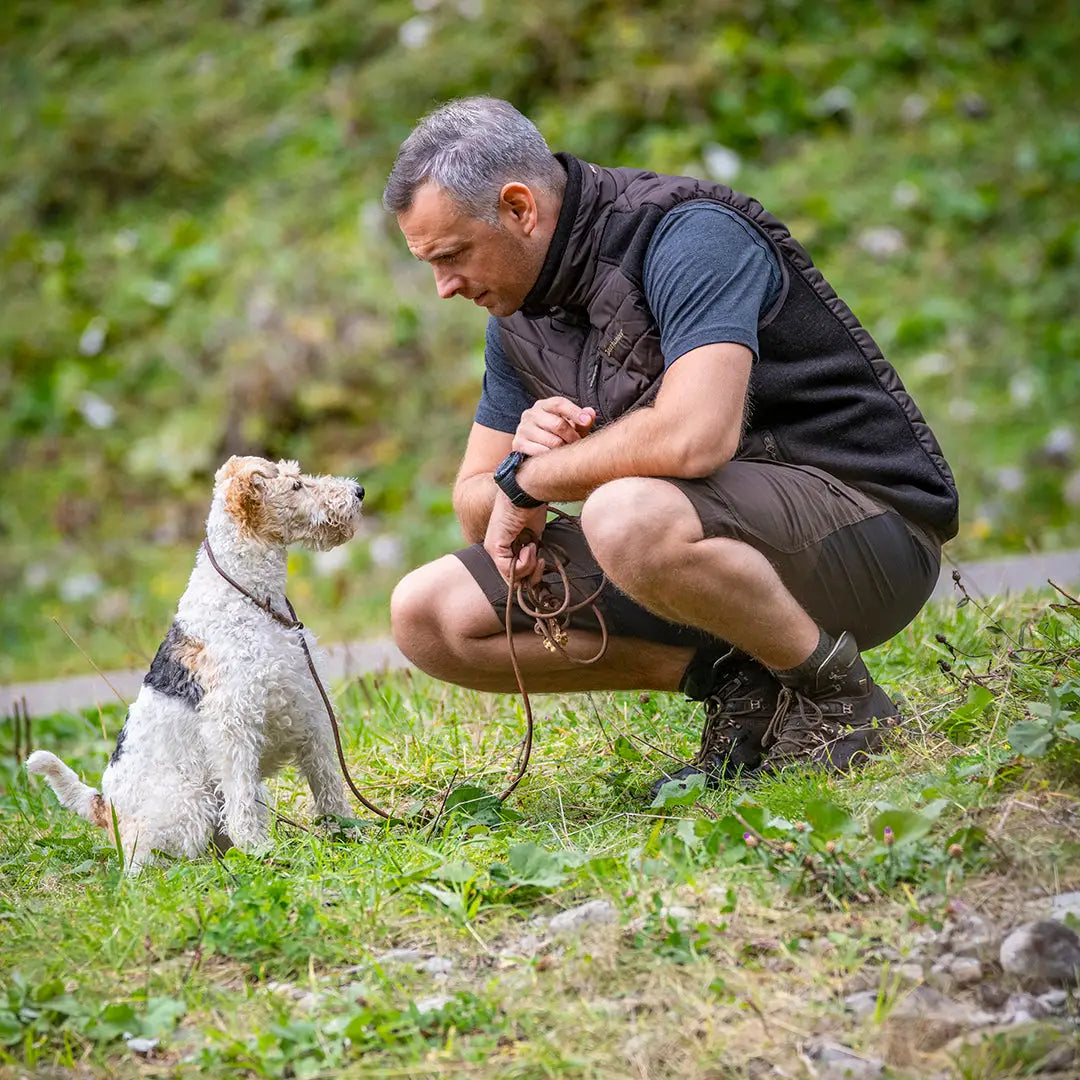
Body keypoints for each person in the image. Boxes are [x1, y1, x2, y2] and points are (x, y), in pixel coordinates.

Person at [383, 96, 957, 793]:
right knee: (429, 614)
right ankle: (743, 686)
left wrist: (536, 476)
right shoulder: (516, 316)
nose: (444, 287)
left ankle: (838, 697)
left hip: (870, 532)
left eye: (451, 255)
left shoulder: (688, 236)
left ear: (519, 208)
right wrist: (517, 468)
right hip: (712, 548)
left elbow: (695, 438)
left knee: (624, 515)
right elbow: (479, 507)